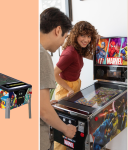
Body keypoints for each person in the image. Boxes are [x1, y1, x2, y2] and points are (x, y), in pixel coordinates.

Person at [54, 21, 99, 150]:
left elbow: (92, 57)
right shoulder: (70, 52)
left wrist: (98, 41)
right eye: (83, 36)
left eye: (89, 36)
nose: (86, 40)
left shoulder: (78, 49)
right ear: (76, 35)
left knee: (72, 125)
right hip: (65, 89)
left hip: (74, 87)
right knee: (61, 127)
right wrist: (68, 89)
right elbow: (54, 74)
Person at [40, 7, 76, 150]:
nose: (63, 42)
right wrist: (66, 129)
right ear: (57, 30)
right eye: (65, 36)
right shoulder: (42, 55)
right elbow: (43, 111)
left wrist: (46, 102)